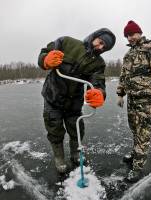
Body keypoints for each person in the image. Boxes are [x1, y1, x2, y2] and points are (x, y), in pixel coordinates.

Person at [38, 28, 116, 173]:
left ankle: (75, 154)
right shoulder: (66, 42)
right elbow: (43, 53)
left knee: (76, 130)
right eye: (100, 42)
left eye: (104, 47)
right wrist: (46, 60)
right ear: (94, 36)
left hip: (74, 103)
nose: (100, 47)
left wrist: (99, 93)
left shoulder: (98, 63)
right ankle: (59, 158)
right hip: (52, 97)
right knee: (54, 129)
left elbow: (98, 82)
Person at [116, 20, 151, 182]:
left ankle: (138, 167)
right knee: (134, 129)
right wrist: (120, 93)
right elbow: (124, 76)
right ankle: (135, 154)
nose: (130, 38)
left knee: (143, 135)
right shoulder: (129, 54)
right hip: (132, 100)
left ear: (139, 32)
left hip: (147, 101)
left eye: (132, 34)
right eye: (127, 36)